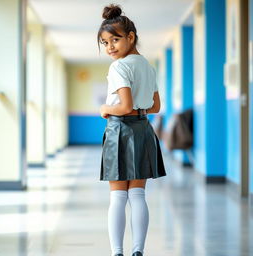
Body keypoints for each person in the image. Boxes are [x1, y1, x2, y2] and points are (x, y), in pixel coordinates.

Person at [97, 4, 167, 256]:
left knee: (118, 197)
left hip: (120, 132)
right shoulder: (147, 66)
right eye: (105, 43)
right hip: (143, 130)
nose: (110, 47)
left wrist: (105, 108)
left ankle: (117, 252)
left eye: (115, 40)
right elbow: (156, 106)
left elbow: (124, 106)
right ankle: (139, 250)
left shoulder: (119, 67)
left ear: (131, 37)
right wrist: (138, 110)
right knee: (137, 195)